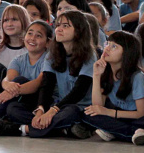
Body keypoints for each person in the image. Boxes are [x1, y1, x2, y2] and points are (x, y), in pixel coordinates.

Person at [81, 31, 144, 144]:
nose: (107, 48)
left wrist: (108, 112)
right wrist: (96, 75)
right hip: (122, 114)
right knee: (87, 113)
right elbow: (98, 107)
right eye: (107, 44)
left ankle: (116, 131)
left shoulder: (137, 77)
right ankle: (138, 133)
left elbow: (141, 113)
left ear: (127, 53)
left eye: (114, 47)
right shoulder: (105, 72)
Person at [23, 11, 97, 139]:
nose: (59, 29)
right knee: (14, 108)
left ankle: (24, 129)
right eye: (57, 25)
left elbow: (79, 92)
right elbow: (47, 85)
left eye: (65, 26)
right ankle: (61, 128)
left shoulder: (89, 56)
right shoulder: (52, 54)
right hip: (59, 106)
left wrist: (53, 111)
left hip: (80, 108)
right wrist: (40, 110)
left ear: (79, 31)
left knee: (70, 112)